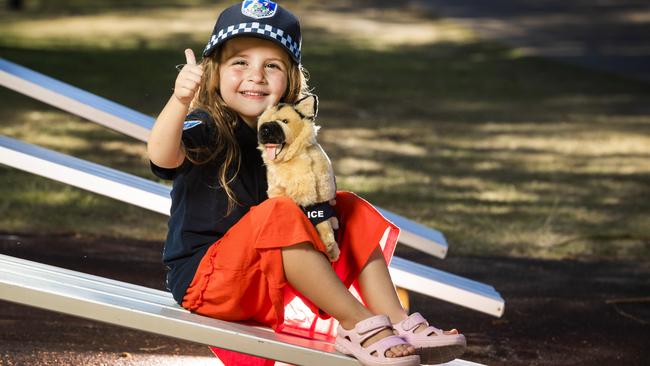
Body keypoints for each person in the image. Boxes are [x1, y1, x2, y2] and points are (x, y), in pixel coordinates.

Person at [147, 1, 466, 365]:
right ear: (213, 72)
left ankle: (396, 320)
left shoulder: (284, 134)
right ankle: (358, 323)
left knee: (348, 207)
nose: (256, 76)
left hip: (263, 279)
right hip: (205, 283)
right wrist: (179, 100)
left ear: (291, 80)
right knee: (279, 212)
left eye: (272, 65)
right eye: (240, 62)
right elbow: (162, 157)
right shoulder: (205, 123)